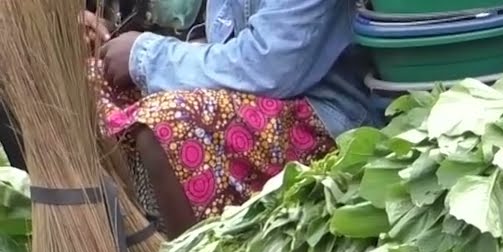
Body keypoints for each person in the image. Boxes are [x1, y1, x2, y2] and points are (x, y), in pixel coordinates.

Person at [82, 0, 380, 235]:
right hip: (255, 94)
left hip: (321, 120)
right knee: (93, 82)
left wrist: (143, 55)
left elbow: (267, 68)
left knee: (165, 124)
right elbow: (223, 46)